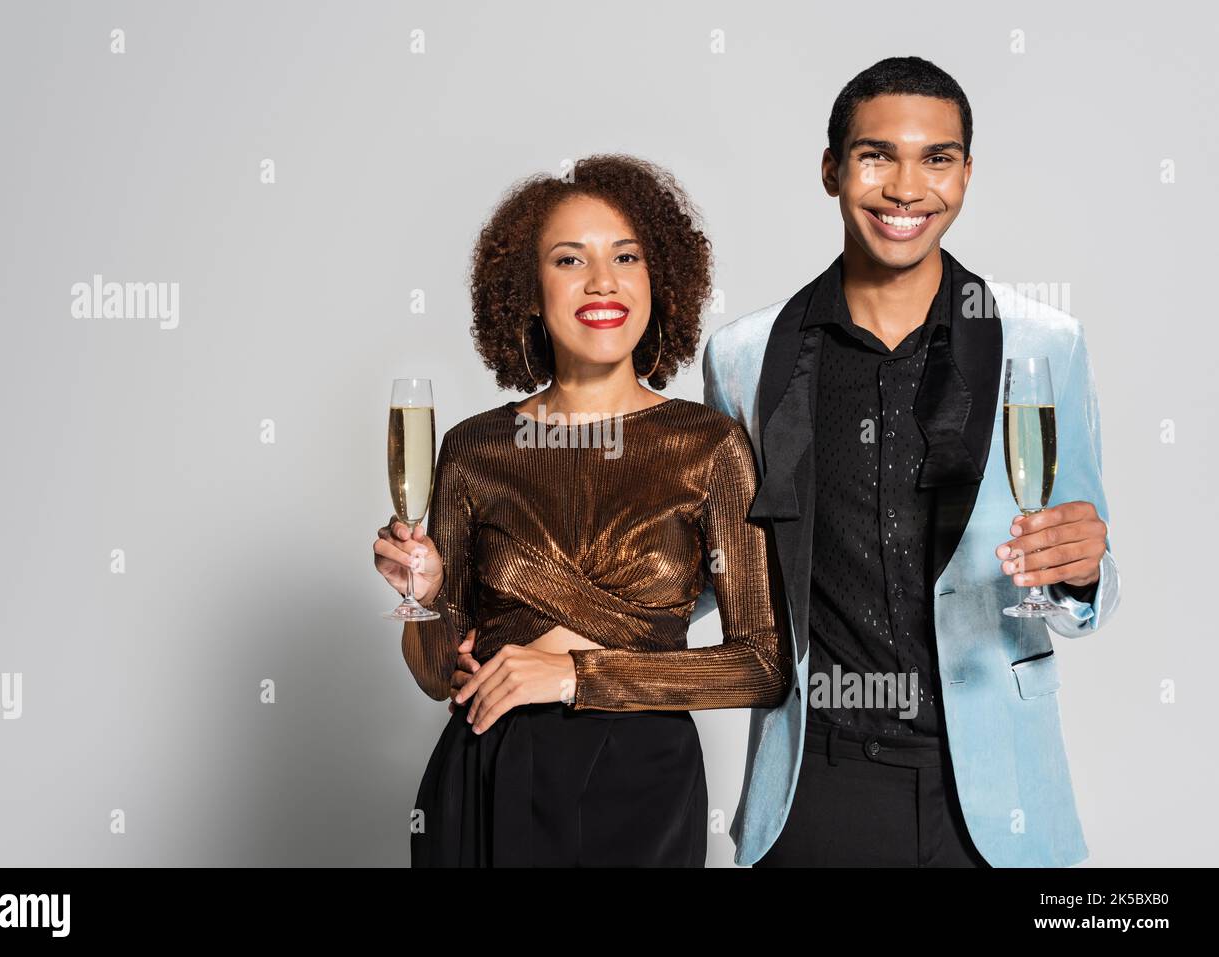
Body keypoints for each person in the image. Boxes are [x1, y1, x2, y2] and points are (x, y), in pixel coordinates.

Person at [696, 56, 1122, 867]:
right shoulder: (745, 357)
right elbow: (714, 571)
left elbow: (1088, 565)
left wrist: (1083, 573)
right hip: (813, 785)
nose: (906, 187)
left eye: (937, 158)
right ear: (831, 169)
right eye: (875, 154)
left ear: (966, 173)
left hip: (997, 800)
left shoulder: (1044, 343)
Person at [373, 154, 790, 867]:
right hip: (488, 771)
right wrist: (429, 594)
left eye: (626, 256)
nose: (603, 280)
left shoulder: (711, 446)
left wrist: (574, 677)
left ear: (659, 279)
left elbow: (762, 665)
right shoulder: (474, 448)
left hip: (643, 781)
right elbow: (440, 670)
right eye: (570, 259)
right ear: (529, 292)